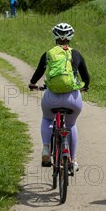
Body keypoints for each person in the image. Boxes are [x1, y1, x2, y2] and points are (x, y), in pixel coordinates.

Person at [28, 23, 90, 173]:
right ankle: (72, 160)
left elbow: (38, 72)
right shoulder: (76, 54)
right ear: (70, 37)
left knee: (48, 120)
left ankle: (46, 150)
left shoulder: (48, 54)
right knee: (71, 125)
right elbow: (86, 77)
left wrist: (32, 84)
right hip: (72, 99)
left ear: (55, 36)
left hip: (52, 98)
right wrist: (85, 86)